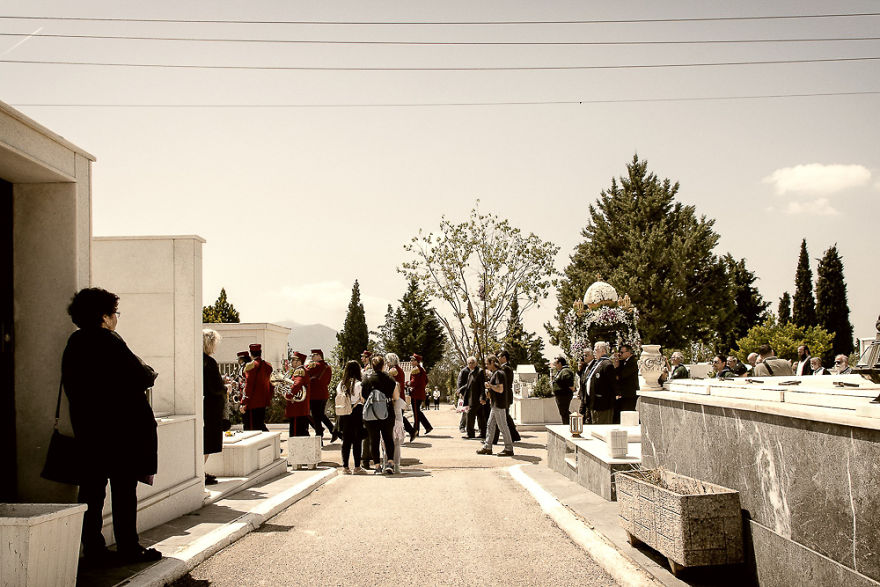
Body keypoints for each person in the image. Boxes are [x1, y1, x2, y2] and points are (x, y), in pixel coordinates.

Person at [61, 287, 162, 565]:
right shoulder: (110, 341)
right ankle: (129, 547)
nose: (116, 319)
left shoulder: (74, 343)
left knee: (92, 492)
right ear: (104, 317)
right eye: (115, 313)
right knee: (123, 492)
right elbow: (143, 375)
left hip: (89, 432)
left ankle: (93, 549)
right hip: (121, 434)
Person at [361, 355, 397, 475]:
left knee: (373, 439)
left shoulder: (367, 379)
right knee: (388, 438)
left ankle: (377, 466)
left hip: (371, 414)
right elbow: (395, 397)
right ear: (383, 366)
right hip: (387, 413)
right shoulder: (390, 379)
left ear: (372, 365)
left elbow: (363, 398)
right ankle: (390, 463)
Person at [202, 329, 227, 486]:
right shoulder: (209, 362)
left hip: (203, 405)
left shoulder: (197, 360)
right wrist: (226, 388)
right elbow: (216, 387)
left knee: (204, 441)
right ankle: (200, 472)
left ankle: (200, 471)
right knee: (208, 443)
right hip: (211, 408)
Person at [476, 355, 515, 457]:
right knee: (490, 425)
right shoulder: (497, 373)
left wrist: (490, 386)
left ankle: (508, 448)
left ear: (493, 362)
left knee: (502, 426)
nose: (486, 366)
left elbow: (500, 389)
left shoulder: (499, 374)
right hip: (495, 404)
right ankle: (487, 447)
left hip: (499, 404)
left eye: (488, 363)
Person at [337, 360, 366, 474]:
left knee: (346, 441)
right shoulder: (359, 384)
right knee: (357, 440)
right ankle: (357, 466)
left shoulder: (341, 384)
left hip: (344, 413)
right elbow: (362, 399)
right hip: (356, 412)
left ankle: (345, 467)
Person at [240, 343, 272, 431]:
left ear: (251, 353)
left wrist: (244, 402)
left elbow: (249, 385)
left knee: (250, 429)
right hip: (263, 401)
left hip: (252, 402)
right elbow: (271, 384)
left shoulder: (251, 366)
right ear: (260, 352)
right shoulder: (268, 365)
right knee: (260, 425)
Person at [305, 349, 334, 440]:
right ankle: (333, 430)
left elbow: (304, 372)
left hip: (315, 395)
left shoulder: (315, 366)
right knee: (321, 415)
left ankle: (319, 436)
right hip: (324, 393)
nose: (312, 357)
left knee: (315, 416)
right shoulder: (327, 367)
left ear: (319, 356)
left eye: (314, 355)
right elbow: (328, 381)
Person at [493, 350, 520, 443]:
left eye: (499, 357)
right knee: (505, 417)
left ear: (504, 358)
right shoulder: (503, 369)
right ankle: (514, 435)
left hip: (504, 396)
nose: (498, 358)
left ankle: (493, 438)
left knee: (499, 417)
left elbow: (504, 384)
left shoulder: (506, 369)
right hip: (504, 396)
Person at [586, 342, 616, 424]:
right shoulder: (598, 363)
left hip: (603, 404)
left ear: (603, 351)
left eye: (596, 350)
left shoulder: (607, 364)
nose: (594, 352)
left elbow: (612, 384)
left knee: (602, 425)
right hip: (594, 402)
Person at [282, 352, 311, 437]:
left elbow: (297, 385)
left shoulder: (299, 371)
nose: (291, 362)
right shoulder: (298, 370)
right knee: (302, 432)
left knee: (296, 433)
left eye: (293, 360)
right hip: (299, 408)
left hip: (297, 407)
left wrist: (288, 395)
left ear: (299, 361)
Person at [408, 353, 433, 442]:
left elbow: (413, 382)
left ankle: (416, 430)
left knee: (416, 413)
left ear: (416, 361)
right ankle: (427, 426)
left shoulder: (416, 369)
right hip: (420, 393)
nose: (411, 361)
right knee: (417, 412)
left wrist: (407, 384)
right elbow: (426, 380)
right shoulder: (421, 369)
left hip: (416, 394)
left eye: (412, 360)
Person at [614, 344, 639, 422]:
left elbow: (621, 376)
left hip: (629, 394)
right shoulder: (623, 362)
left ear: (629, 352)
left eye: (622, 352)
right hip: (623, 393)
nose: (620, 354)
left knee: (628, 413)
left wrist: (616, 367)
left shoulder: (633, 362)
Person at [463, 356, 487, 439]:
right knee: (480, 416)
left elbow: (482, 386)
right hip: (471, 398)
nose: (471, 364)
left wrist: (482, 397)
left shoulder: (479, 372)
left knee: (470, 415)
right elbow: (468, 386)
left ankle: (470, 433)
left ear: (476, 363)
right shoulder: (471, 372)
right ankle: (483, 433)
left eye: (472, 362)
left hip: (476, 399)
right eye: (469, 363)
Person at [551, 355, 575, 424]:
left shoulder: (565, 371)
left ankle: (570, 424)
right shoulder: (561, 371)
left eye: (556, 363)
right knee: (563, 412)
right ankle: (567, 424)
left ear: (560, 363)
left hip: (564, 395)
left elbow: (569, 381)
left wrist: (572, 388)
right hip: (560, 396)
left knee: (564, 412)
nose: (555, 365)